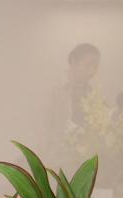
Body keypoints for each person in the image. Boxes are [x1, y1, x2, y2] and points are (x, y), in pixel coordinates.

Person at [45, 43, 101, 171]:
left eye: (96, 66)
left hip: (81, 163)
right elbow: (42, 129)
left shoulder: (92, 93)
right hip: (54, 163)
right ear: (73, 62)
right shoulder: (54, 90)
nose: (93, 71)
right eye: (89, 64)